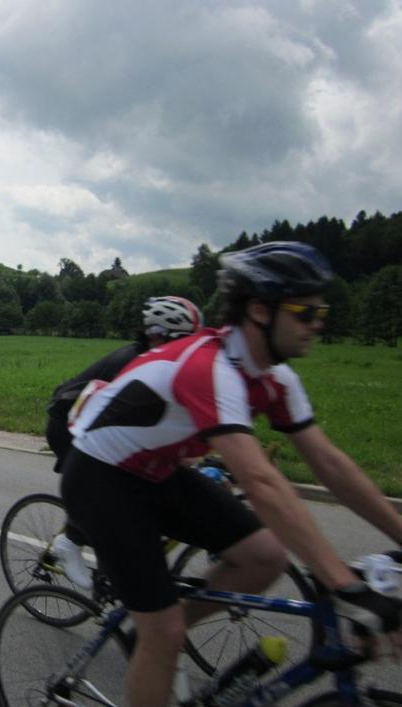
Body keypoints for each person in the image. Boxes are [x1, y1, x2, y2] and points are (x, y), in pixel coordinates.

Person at [61, 241, 402, 706]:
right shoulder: (208, 366)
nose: (318, 322)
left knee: (265, 556)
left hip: (157, 472)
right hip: (100, 477)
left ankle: (157, 634)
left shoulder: (276, 377)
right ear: (260, 310)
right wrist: (345, 585)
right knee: (164, 632)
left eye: (321, 311)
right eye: (305, 311)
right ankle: (159, 636)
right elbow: (260, 481)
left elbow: (331, 464)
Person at [45, 296, 203, 588]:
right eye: (183, 341)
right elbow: (120, 432)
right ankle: (70, 543)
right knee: (105, 494)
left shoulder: (164, 363)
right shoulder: (134, 364)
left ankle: (114, 573)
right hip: (67, 424)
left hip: (97, 425)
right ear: (158, 335)